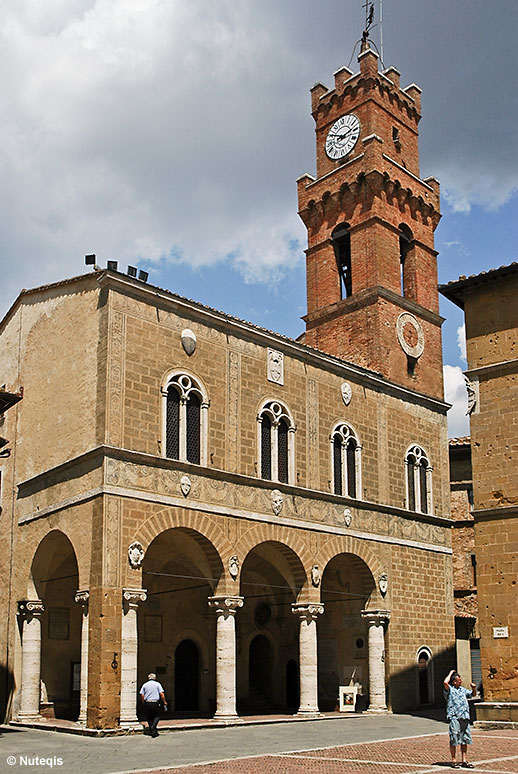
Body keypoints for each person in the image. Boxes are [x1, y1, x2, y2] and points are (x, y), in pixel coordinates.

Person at [443, 669, 476, 768]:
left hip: (464, 717)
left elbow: (472, 694)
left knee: (464, 739)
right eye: (459, 680)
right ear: (454, 681)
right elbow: (445, 682)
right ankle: (453, 760)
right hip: (454, 717)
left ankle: (464, 760)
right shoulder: (450, 690)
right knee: (454, 738)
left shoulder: (463, 690)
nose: (461, 681)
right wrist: (450, 673)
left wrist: (474, 689)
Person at [140, 673, 167, 737]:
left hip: (147, 702)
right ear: (155, 678)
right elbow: (161, 694)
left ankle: (152, 730)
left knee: (149, 717)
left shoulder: (145, 685)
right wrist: (164, 701)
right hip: (155, 702)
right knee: (157, 715)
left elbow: (142, 694)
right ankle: (153, 726)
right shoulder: (157, 684)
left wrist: (143, 702)